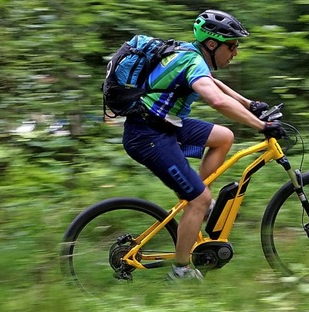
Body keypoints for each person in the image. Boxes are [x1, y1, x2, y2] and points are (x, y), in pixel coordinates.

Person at [121, 9, 284, 281]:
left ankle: (198, 201)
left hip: (163, 124)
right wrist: (262, 126)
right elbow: (216, 100)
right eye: (231, 46)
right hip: (149, 135)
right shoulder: (192, 61)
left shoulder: (188, 53)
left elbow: (215, 84)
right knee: (199, 199)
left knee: (224, 137)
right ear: (212, 44)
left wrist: (249, 105)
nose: (235, 52)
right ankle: (181, 269)